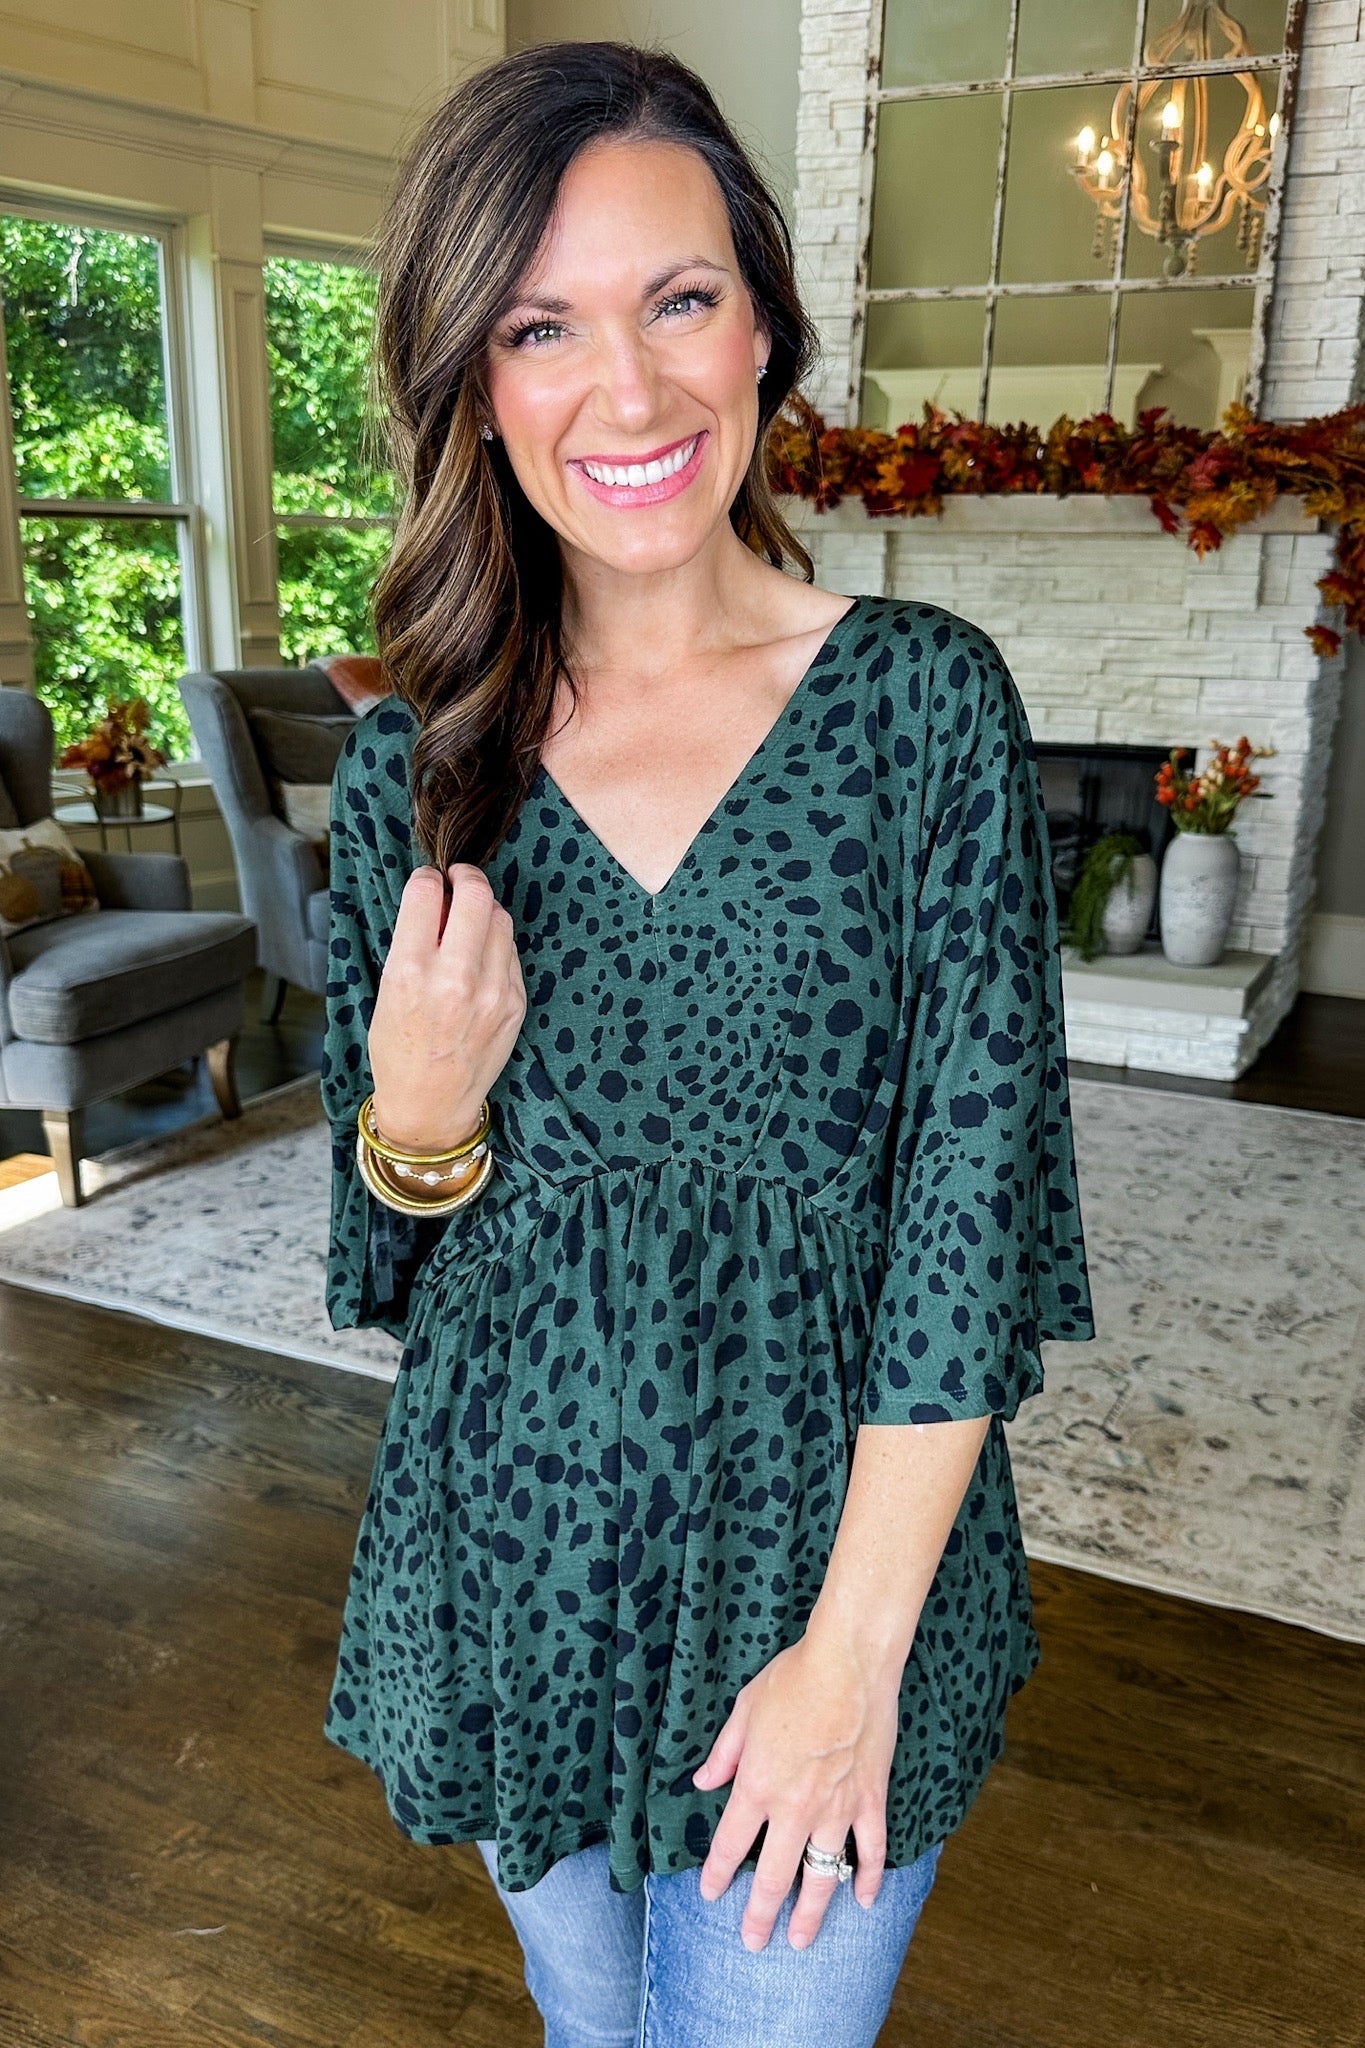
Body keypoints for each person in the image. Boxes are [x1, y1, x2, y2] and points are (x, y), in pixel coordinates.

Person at [320, 39, 1094, 2048]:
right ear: (475, 383)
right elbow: (386, 1261)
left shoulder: (919, 709)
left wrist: (850, 1659)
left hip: (825, 1577)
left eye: (677, 299)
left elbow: (967, 1230)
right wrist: (420, 1106)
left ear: (761, 321)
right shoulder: (416, 773)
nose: (631, 389)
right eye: (540, 328)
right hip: (518, 1573)